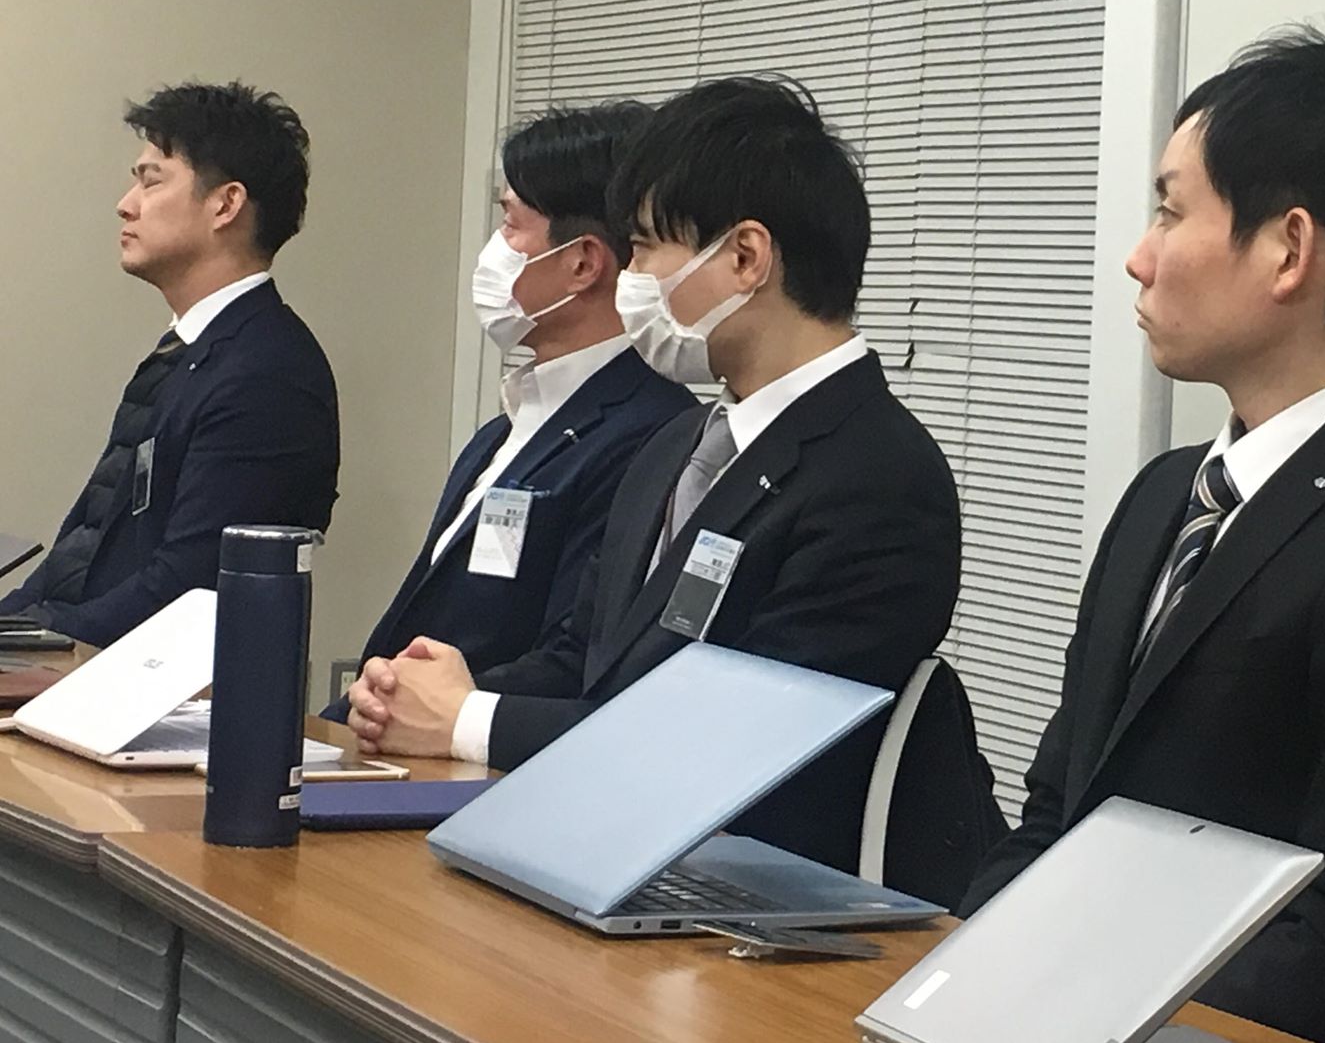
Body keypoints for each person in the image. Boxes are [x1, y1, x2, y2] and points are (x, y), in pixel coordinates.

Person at [959, 29, 1325, 1043]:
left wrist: (1073, 998)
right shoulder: (1161, 498)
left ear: (1287, 250)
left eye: (1169, 211)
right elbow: (1054, 814)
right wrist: (961, 972)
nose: (1139, 257)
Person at [345, 76, 962, 875]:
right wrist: (429, 691)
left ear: (744, 257)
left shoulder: (878, 478)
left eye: (643, 248)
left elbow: (735, 744)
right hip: (610, 858)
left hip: (748, 900)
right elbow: (583, 656)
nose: (631, 277)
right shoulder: (677, 445)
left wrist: (468, 723)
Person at [322, 104, 691, 712]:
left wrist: (428, 709)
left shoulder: (651, 433)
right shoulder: (507, 425)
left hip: (479, 752)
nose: (494, 250)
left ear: (582, 263)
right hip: (391, 739)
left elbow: (575, 657)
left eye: (511, 224)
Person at [1, 82, 339, 646]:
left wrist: (36, 641)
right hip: (84, 665)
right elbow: (81, 551)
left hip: (152, 685)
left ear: (225, 204)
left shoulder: (267, 374)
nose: (126, 203)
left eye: (151, 180)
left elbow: (187, 587)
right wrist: (15, 629)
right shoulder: (188, 352)